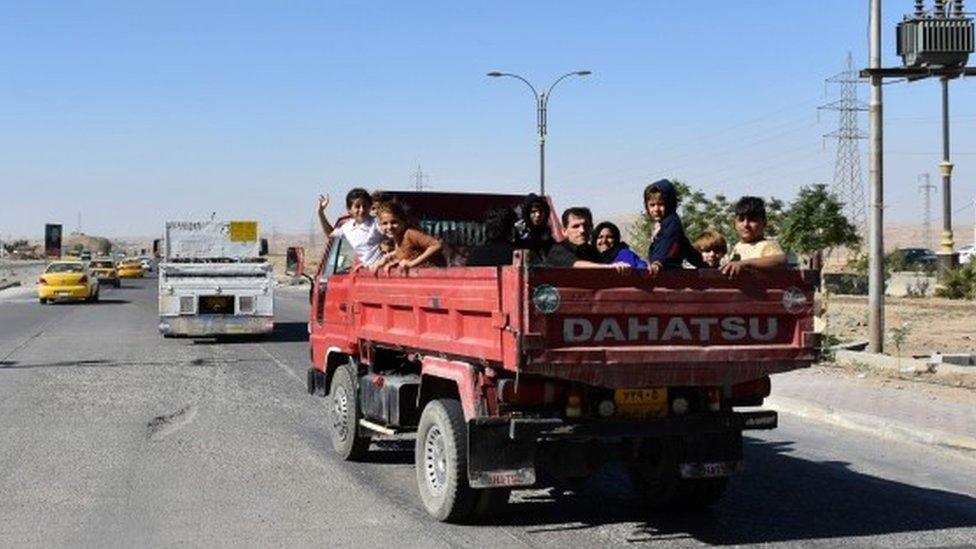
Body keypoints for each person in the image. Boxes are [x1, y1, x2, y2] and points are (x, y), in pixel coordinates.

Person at [643, 179, 703, 276]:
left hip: (668, 274)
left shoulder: (672, 222)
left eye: (661, 204)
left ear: (669, 203)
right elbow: (685, 246)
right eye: (652, 205)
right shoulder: (661, 225)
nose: (656, 209)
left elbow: (669, 243)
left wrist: (658, 262)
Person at [545, 207, 630, 272]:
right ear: (564, 231)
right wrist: (609, 268)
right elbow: (576, 264)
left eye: (586, 226)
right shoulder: (558, 250)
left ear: (591, 228)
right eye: (575, 226)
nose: (582, 230)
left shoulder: (592, 252)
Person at [720, 196, 787, 278]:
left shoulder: (766, 245)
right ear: (734, 224)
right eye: (741, 220)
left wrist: (744, 263)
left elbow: (780, 260)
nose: (746, 224)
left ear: (764, 223)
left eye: (752, 220)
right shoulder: (737, 246)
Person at [370, 200, 444, 272]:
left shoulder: (410, 234)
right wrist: (389, 260)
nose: (389, 227)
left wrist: (412, 263)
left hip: (430, 277)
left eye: (394, 222)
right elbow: (407, 252)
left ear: (403, 221)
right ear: (380, 225)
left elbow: (436, 245)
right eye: (384, 223)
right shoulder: (397, 238)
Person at [317, 188, 383, 266]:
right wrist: (320, 213)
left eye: (365, 206)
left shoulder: (377, 223)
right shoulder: (347, 227)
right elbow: (330, 233)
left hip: (382, 269)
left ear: (369, 207)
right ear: (349, 209)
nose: (361, 210)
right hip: (365, 271)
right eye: (357, 206)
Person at [514, 193, 555, 260]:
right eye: (533, 212)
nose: (538, 215)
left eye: (541, 211)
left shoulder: (546, 231)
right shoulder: (519, 230)